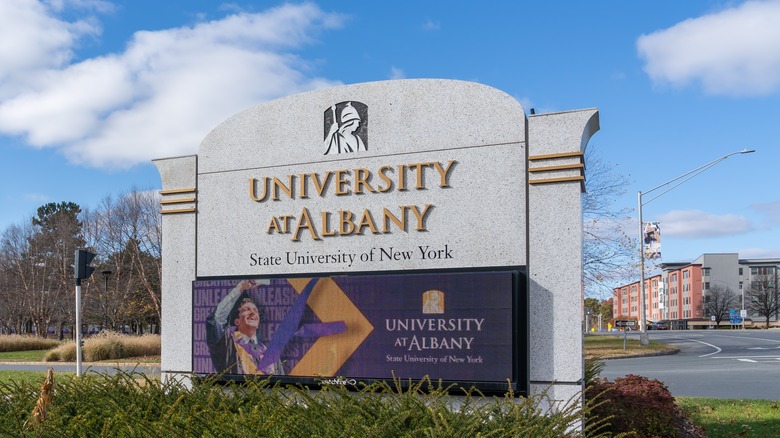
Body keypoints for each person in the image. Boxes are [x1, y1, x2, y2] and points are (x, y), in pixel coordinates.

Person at [206, 280, 283, 375]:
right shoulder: (227, 344)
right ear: (237, 321)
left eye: (255, 310)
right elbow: (216, 319)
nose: (252, 312)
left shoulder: (270, 354)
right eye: (246, 309)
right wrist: (240, 287)